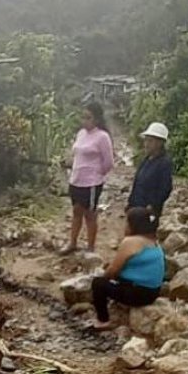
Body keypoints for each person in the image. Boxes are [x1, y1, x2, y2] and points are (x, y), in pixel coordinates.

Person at [91, 207, 165, 329]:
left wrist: (103, 278)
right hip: (153, 291)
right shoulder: (153, 241)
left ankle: (103, 320)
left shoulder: (131, 241)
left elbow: (113, 271)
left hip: (139, 294)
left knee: (98, 284)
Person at [62, 101, 115, 254]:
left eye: (88, 118)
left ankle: (90, 248)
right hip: (76, 180)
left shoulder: (102, 137)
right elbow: (77, 156)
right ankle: (72, 243)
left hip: (91, 183)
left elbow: (109, 162)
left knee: (90, 215)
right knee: (76, 211)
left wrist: (97, 174)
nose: (85, 121)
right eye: (83, 117)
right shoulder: (81, 134)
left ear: (97, 119)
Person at [127, 122, 173, 220]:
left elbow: (165, 188)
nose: (146, 144)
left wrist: (153, 206)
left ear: (160, 143)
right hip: (136, 207)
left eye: (150, 141)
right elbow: (137, 183)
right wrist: (130, 203)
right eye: (146, 140)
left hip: (148, 212)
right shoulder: (146, 160)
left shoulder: (164, 163)